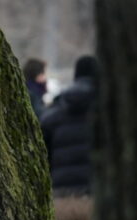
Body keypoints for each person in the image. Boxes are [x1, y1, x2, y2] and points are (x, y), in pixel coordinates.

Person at [40, 55, 98, 196]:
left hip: (62, 193)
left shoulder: (52, 115)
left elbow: (41, 158)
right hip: (98, 192)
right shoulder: (113, 113)